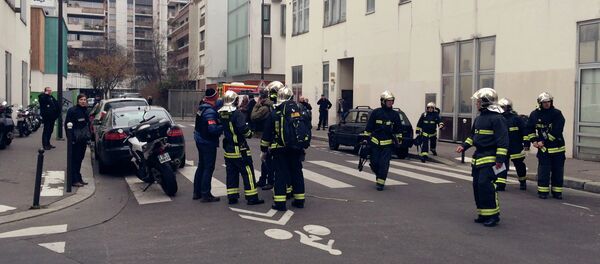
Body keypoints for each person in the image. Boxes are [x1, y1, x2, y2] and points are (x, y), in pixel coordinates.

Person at [456, 88, 508, 227]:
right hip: (478, 157)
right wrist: (464, 146)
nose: (476, 104)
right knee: (477, 186)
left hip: (490, 158)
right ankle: (483, 213)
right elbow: (473, 136)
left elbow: (503, 141)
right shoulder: (479, 119)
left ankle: (493, 215)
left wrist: (500, 159)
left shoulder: (498, 119)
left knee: (486, 185)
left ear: (486, 102)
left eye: (478, 101)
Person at [261, 86, 309, 211]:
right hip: (296, 148)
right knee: (297, 173)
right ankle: (299, 200)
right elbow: (306, 127)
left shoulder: (275, 113)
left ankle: (280, 203)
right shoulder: (299, 109)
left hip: (280, 149)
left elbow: (266, 134)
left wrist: (264, 150)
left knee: (281, 175)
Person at [218, 91, 265, 205]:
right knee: (247, 172)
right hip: (240, 148)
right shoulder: (237, 114)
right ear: (235, 101)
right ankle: (252, 197)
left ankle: (232, 197)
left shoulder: (221, 113)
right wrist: (249, 133)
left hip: (228, 149)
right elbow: (243, 129)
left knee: (231, 173)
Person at [527, 92, 566, 200]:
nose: (547, 104)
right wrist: (533, 140)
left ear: (551, 102)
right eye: (544, 102)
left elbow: (557, 130)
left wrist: (543, 141)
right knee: (543, 171)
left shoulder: (557, 113)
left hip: (557, 148)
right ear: (540, 103)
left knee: (558, 171)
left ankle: (557, 192)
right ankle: (543, 191)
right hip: (544, 150)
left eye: (548, 102)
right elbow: (529, 128)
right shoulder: (535, 114)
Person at [363, 90, 403, 191]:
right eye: (388, 101)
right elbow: (369, 127)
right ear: (383, 101)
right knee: (374, 163)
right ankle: (379, 175)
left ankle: (380, 182)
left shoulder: (395, 115)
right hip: (375, 143)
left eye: (392, 101)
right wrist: (365, 139)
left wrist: (399, 139)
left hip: (387, 144)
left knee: (384, 164)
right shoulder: (376, 112)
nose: (390, 103)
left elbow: (398, 129)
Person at [193, 88, 224, 202]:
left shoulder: (202, 107)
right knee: (208, 167)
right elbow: (212, 129)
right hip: (207, 142)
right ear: (214, 97)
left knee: (201, 166)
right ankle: (206, 194)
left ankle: (197, 192)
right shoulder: (210, 111)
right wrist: (223, 126)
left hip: (199, 139)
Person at [252, 82, 282, 190]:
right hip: (277, 137)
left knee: (267, 159)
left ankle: (269, 181)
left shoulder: (265, 107)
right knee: (267, 159)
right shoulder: (280, 106)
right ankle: (264, 179)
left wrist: (258, 104)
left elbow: (253, 116)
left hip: (269, 136)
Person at [496, 98, 529, 191]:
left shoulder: (516, 119)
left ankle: (522, 181)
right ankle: (500, 184)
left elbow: (525, 132)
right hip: (503, 147)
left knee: (519, 165)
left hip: (516, 147)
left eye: (503, 107)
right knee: (501, 165)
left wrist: (526, 146)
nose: (501, 109)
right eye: (500, 107)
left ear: (509, 107)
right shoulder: (498, 118)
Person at [65, 94, 91, 187]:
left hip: (83, 140)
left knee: (79, 160)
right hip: (75, 140)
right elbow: (67, 125)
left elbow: (87, 125)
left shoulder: (86, 111)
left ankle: (78, 178)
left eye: (84, 99)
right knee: (74, 160)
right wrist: (70, 139)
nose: (83, 101)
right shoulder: (72, 111)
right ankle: (74, 180)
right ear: (77, 100)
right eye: (81, 99)